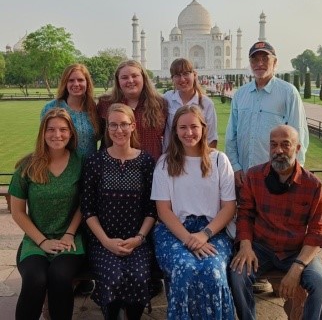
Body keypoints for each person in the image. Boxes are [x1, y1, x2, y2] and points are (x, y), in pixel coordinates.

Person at [229, 125, 322, 320]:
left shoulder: (312, 184)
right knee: (237, 275)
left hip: (295, 249)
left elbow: (318, 230)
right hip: (261, 247)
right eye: (273, 145)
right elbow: (245, 214)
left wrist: (298, 267)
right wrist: (245, 246)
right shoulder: (254, 176)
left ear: (298, 148)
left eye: (286, 145)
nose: (278, 151)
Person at [151, 105, 236, 319]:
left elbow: (229, 207)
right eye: (183, 127)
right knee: (185, 269)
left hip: (212, 230)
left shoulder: (219, 160)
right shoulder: (165, 162)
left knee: (213, 272)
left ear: (203, 128)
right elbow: (163, 210)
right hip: (174, 231)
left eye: (193, 126)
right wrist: (189, 238)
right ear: (175, 131)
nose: (189, 133)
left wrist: (204, 235)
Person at [81, 103, 157, 320]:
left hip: (137, 239)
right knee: (113, 276)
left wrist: (139, 238)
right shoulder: (95, 162)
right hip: (103, 240)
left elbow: (152, 209)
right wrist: (105, 241)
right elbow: (87, 209)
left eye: (124, 124)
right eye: (113, 125)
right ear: (107, 128)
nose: (119, 130)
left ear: (133, 126)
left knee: (139, 276)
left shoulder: (146, 162)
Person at [9, 108, 85, 320]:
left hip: (70, 239)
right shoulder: (28, 165)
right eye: (51, 129)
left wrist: (69, 234)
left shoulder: (81, 163)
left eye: (63, 129)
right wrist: (42, 241)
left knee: (60, 277)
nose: (57, 135)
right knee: (35, 279)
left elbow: (83, 204)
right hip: (35, 240)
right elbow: (17, 211)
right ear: (43, 132)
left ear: (71, 133)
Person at [225, 41, 309, 189]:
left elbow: (299, 135)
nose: (260, 63)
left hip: (276, 176)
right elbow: (231, 135)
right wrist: (235, 166)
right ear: (250, 63)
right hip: (244, 175)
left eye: (265, 59)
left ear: (275, 62)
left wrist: (294, 174)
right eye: (255, 59)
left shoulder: (288, 93)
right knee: (244, 213)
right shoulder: (241, 95)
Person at [97, 59, 167, 161]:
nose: (130, 80)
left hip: (151, 167)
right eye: (124, 77)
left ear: (143, 78)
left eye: (134, 76)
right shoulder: (106, 104)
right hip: (114, 168)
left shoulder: (159, 104)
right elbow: (97, 134)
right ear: (118, 81)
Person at [41, 63, 100, 158]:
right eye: (71, 80)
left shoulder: (94, 109)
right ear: (65, 83)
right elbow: (44, 140)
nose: (76, 84)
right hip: (63, 166)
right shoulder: (50, 108)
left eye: (80, 80)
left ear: (87, 82)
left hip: (91, 167)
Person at [162, 58, 218, 152]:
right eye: (177, 75)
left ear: (194, 75)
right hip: (172, 157)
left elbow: (211, 139)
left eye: (186, 73)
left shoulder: (206, 104)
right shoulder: (167, 99)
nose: (182, 79)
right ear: (172, 79)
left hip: (197, 158)